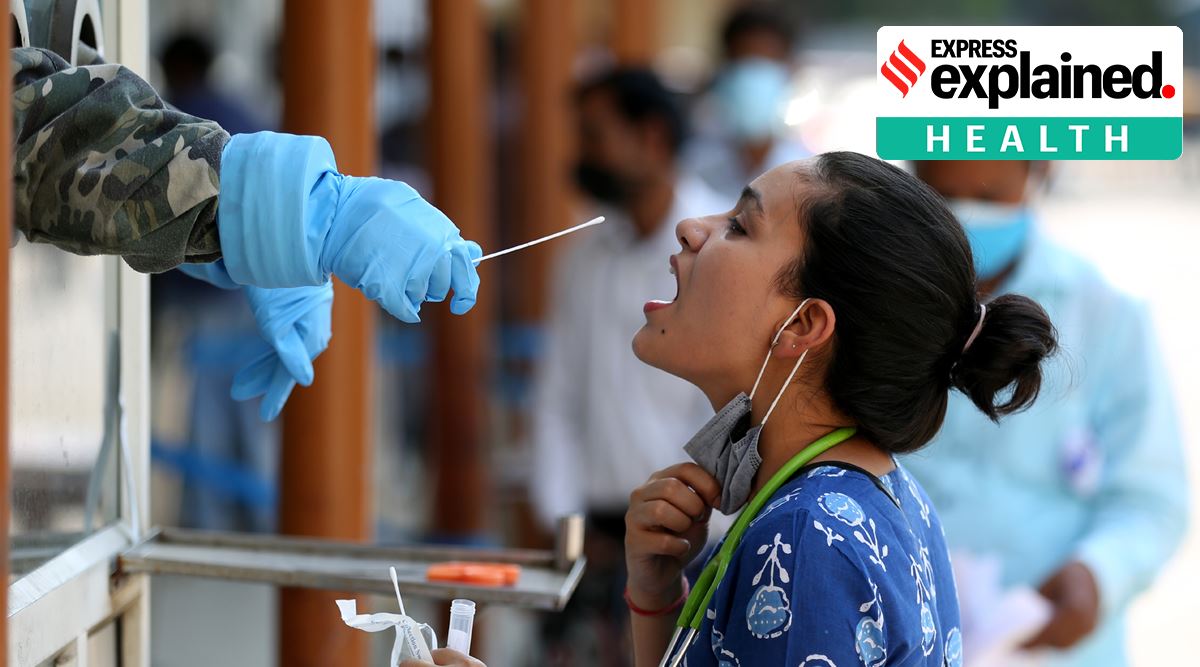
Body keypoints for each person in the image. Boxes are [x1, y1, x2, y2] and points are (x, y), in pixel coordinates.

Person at [623, 152, 1058, 665]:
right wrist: (656, 594)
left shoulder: (806, 540)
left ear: (802, 326)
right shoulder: (882, 497)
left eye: (739, 226)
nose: (691, 227)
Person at [10, 46, 481, 420]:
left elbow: (70, 104)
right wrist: (294, 214)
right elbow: (41, 129)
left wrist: (262, 225)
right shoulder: (225, 103)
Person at [906, 160, 1189, 666]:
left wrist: (1098, 575)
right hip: (908, 631)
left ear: (1038, 170)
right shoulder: (878, 309)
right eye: (943, 196)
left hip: (1054, 649)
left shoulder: (1107, 313)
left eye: (990, 199)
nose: (968, 216)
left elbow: (1152, 499)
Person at [529, 67, 724, 663]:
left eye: (595, 136)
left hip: (695, 538)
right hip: (596, 536)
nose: (581, 155)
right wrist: (564, 521)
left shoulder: (720, 255)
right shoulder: (581, 257)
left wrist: (694, 538)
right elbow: (557, 397)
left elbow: (731, 404)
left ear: (653, 139)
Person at [684, 4, 810, 202]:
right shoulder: (692, 168)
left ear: (789, 70)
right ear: (724, 68)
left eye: (765, 65)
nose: (753, 84)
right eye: (745, 63)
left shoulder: (808, 177)